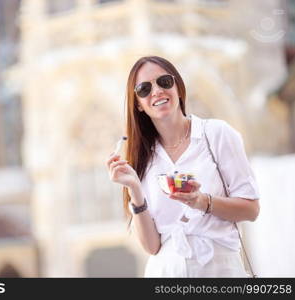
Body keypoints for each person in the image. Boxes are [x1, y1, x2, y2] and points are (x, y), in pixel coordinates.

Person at [106, 56, 260, 277]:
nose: (156, 91)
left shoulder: (216, 134)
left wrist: (202, 202)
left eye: (164, 82)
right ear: (138, 104)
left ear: (178, 87)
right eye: (144, 89)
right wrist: (134, 189)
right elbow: (152, 247)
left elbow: (251, 209)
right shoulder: (141, 159)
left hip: (219, 269)